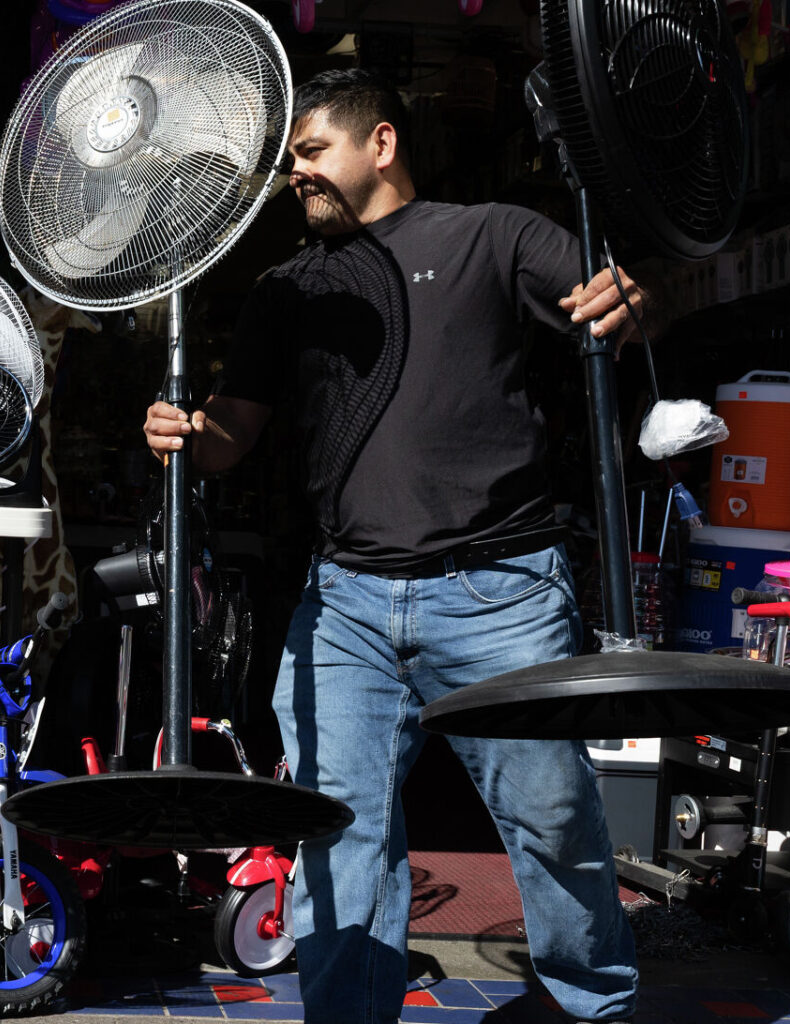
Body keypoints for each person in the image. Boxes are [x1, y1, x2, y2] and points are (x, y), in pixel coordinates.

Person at [143, 68, 653, 1024]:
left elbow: (610, 304)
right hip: (347, 612)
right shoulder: (287, 286)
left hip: (502, 590)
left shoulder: (491, 234)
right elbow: (230, 434)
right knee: (337, 833)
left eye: (309, 153)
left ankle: (592, 1004)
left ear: (380, 144)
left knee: (554, 823)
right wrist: (186, 436)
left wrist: (625, 301)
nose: (294, 174)